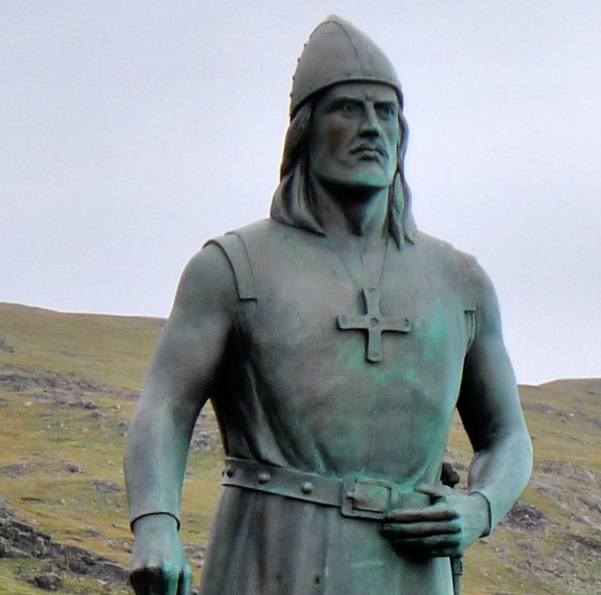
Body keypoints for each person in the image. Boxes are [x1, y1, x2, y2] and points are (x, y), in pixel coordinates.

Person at [125, 15, 532, 595]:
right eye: (347, 108)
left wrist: (480, 507)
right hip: (271, 556)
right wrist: (155, 525)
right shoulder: (232, 267)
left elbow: (507, 435)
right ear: (305, 130)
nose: (371, 127)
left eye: (385, 112)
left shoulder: (461, 282)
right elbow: (166, 405)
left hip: (412, 571)